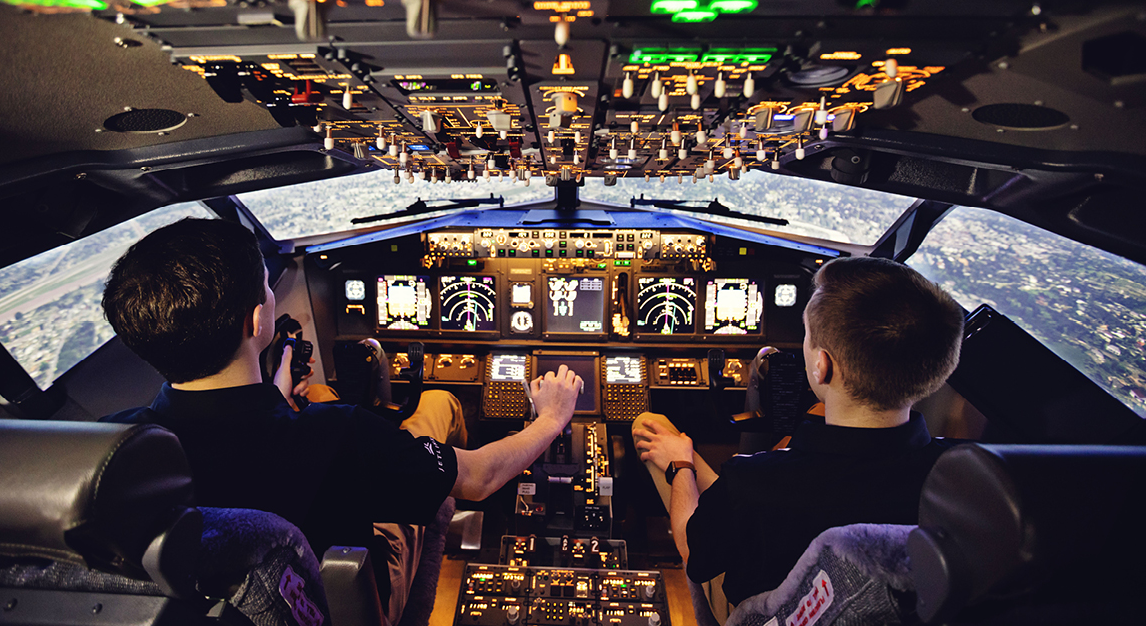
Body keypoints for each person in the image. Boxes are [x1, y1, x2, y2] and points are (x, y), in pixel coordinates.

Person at [101, 217, 580, 623]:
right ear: (255, 322)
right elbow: (480, 477)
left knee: (333, 397)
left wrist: (272, 400)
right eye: (269, 288)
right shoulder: (336, 431)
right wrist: (552, 419)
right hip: (348, 605)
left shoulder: (105, 446)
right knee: (438, 427)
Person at [632, 256, 964, 615]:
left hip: (762, 615)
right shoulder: (966, 477)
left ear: (822, 365)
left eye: (806, 336)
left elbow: (694, 553)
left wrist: (681, 463)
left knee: (651, 426)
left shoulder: (754, 481)